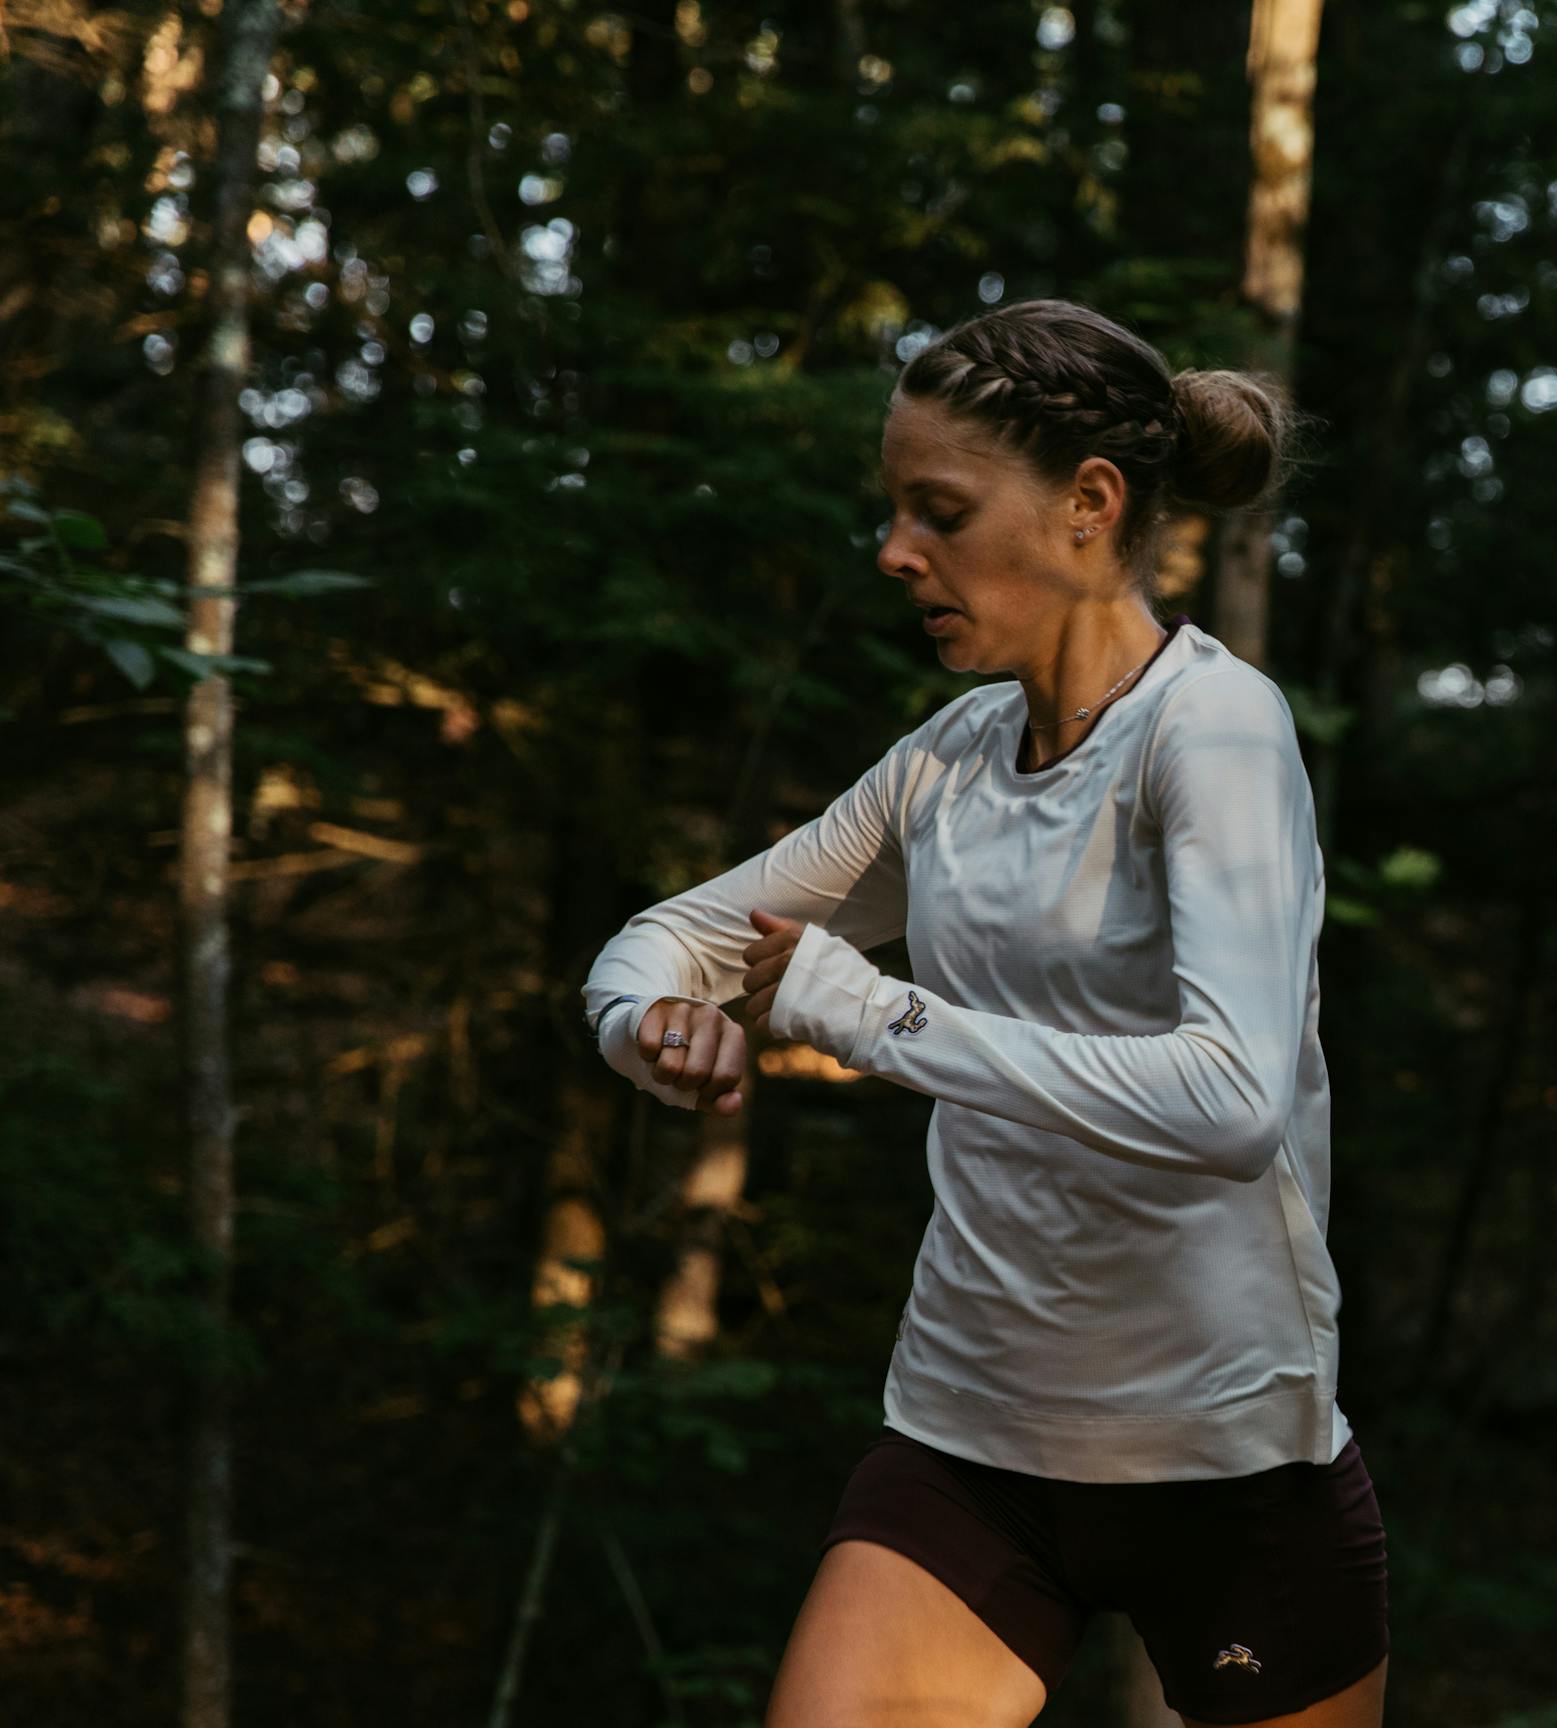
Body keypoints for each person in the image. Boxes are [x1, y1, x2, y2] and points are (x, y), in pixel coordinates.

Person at [577, 299, 1384, 1727]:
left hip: (1227, 1461)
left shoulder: (1214, 730)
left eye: (939, 511)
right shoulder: (949, 760)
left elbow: (1233, 1102)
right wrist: (650, 1024)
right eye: (896, 511)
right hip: (972, 1439)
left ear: (1089, 506)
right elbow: (672, 941)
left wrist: (871, 1017)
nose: (897, 552)